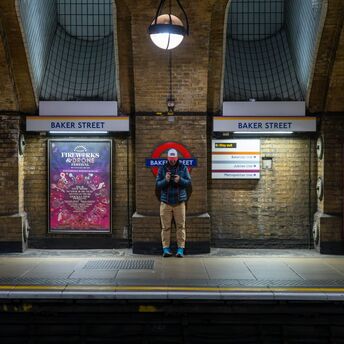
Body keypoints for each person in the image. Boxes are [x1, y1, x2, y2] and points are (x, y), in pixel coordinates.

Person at [156, 148, 192, 257]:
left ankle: (180, 250)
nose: (172, 161)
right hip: (165, 202)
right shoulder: (162, 168)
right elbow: (157, 185)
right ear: (168, 158)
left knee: (181, 227)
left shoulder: (183, 167)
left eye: (174, 159)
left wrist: (180, 180)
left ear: (177, 158)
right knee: (165, 227)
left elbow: (189, 183)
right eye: (170, 159)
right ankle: (166, 249)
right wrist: (165, 180)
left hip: (179, 202)